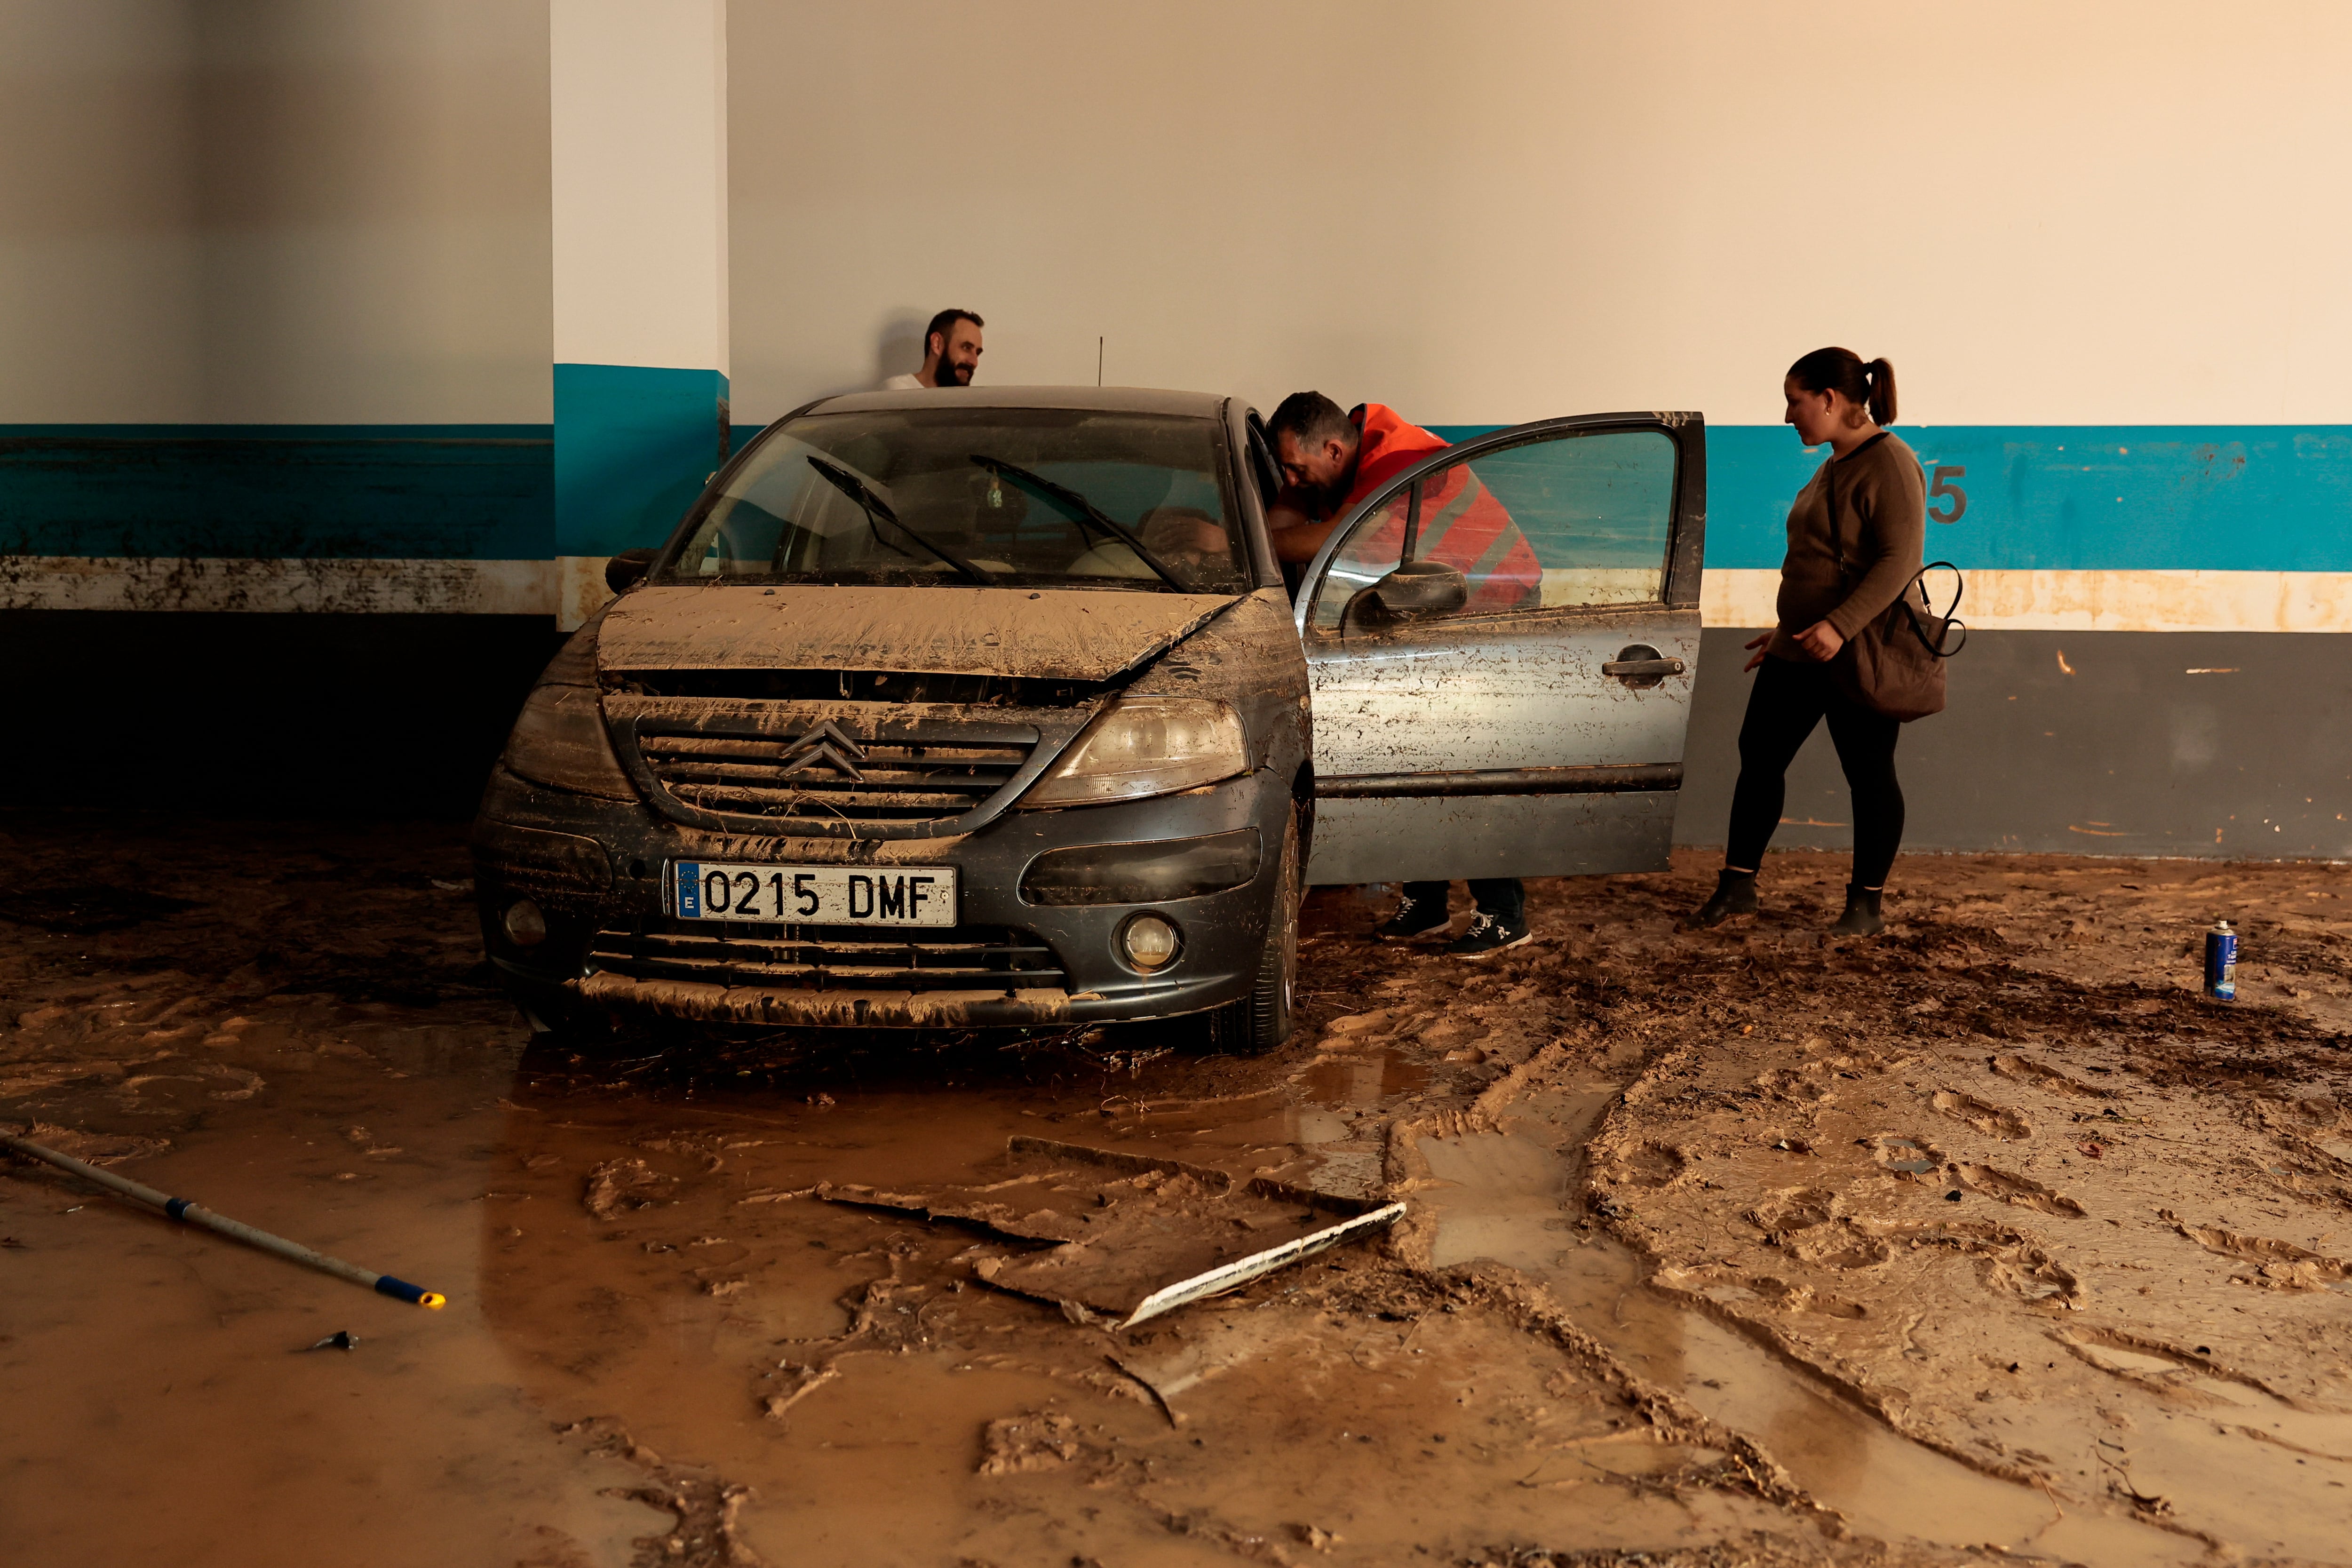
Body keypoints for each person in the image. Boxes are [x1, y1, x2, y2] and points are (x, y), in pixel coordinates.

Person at [1263, 391, 1540, 957]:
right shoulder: (1348, 453)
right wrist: (1276, 514)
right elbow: (1283, 522)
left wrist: (1235, 546)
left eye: (1295, 469)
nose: (1290, 480)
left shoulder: (1398, 464)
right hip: (1431, 610)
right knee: (1413, 755)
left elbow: (1317, 544)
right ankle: (1427, 902)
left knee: (1464, 764)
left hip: (1493, 609)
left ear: (1334, 451)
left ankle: (1502, 914)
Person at [1689, 348, 1925, 937]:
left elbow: (1899, 561)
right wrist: (1787, 630)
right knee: (1759, 756)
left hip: (1856, 649)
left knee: (1868, 773)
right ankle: (1737, 886)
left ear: (1829, 399)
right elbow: (1824, 560)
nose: (1787, 415)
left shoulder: (1889, 461)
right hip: (1802, 645)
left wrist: (1838, 626)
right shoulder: (1832, 465)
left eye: (1794, 402)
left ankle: (1865, 906)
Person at [883, 309, 983, 389]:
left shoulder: (968, 404)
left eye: (977, 353)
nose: (975, 363)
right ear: (937, 344)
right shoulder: (898, 392)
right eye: (966, 348)